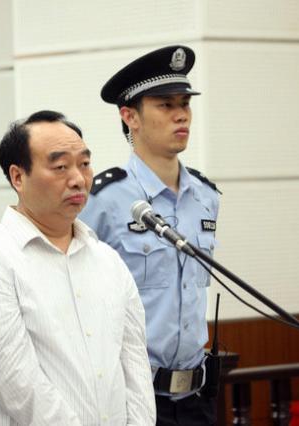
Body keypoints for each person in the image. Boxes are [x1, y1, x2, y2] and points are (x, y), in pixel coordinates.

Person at [0, 110, 155, 425]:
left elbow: (136, 366)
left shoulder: (108, 260)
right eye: (60, 167)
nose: (78, 179)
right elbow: (17, 384)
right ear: (18, 177)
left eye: (84, 164)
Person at [79, 46, 221, 425]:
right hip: (132, 398)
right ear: (130, 117)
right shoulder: (104, 199)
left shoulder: (206, 197)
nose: (181, 114)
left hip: (197, 398)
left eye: (185, 104)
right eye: (165, 105)